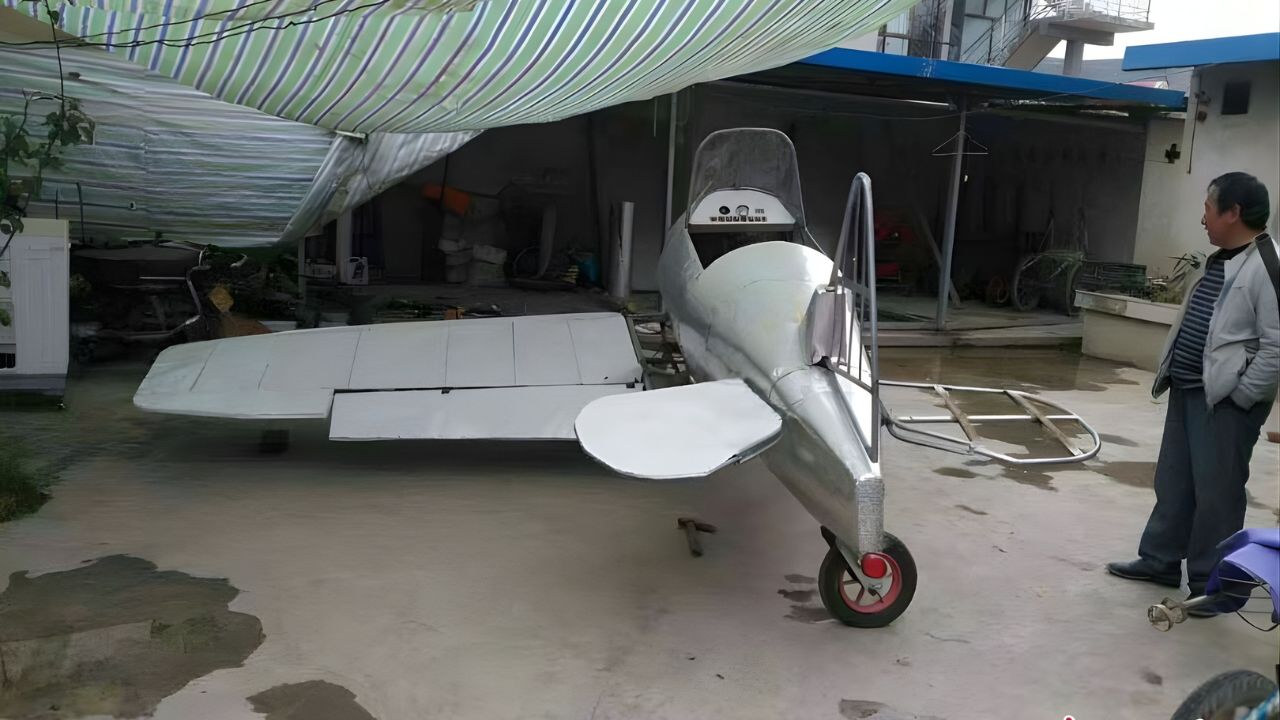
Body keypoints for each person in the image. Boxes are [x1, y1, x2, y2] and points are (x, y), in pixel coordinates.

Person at [1107, 172, 1280, 616]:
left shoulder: (1268, 263)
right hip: (1188, 390)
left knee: (1217, 494)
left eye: (1208, 207)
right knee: (1174, 481)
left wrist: (1241, 398)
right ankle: (1160, 560)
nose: (1202, 216)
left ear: (1233, 212)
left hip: (1225, 403)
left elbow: (1276, 344)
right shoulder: (1218, 259)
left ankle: (1214, 585)